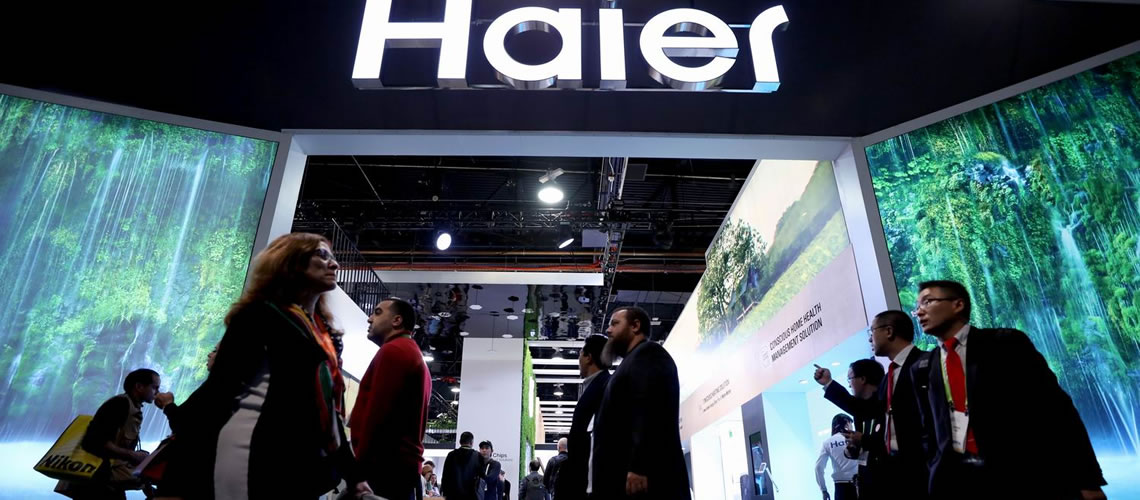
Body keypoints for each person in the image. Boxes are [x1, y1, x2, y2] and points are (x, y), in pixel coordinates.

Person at [168, 233, 370, 499]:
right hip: (252, 456)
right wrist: (177, 472)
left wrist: (354, 476)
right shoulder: (259, 315)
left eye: (332, 257)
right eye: (322, 255)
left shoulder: (324, 335)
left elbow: (327, 414)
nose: (334, 264)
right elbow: (219, 393)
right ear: (291, 262)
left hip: (299, 465)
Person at [909, 280, 1106, 500]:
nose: (919, 312)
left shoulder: (1005, 344)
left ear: (958, 305)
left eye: (927, 302)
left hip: (1022, 476)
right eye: (916, 307)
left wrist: (1087, 478)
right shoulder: (923, 368)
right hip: (958, 482)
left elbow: (1056, 410)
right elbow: (929, 431)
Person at [814, 310, 928, 499]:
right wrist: (828, 384)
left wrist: (866, 441)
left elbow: (917, 429)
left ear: (889, 331)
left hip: (913, 478)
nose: (869, 339)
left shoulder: (924, 364)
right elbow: (861, 409)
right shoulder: (889, 378)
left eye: (872, 332)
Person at [591, 306, 690, 500]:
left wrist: (639, 465)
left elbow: (651, 411)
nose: (608, 330)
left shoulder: (649, 354)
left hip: (644, 482)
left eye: (615, 323)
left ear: (635, 326)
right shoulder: (633, 360)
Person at [349, 297, 432, 500]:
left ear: (397, 320)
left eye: (377, 312)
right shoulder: (410, 353)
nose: (370, 318)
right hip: (397, 470)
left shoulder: (394, 352)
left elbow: (376, 416)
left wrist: (358, 471)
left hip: (384, 470)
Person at [54, 368, 160, 500]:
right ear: (139, 386)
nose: (157, 392)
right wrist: (133, 455)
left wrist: (147, 487)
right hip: (95, 483)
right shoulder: (119, 404)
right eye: (154, 387)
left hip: (107, 482)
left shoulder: (132, 406)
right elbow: (93, 441)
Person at [555, 335, 610, 500]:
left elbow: (595, 436)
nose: (578, 360)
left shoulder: (606, 386)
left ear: (588, 357)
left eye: (580, 354)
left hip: (588, 479)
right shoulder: (598, 385)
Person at [814, 415, 858, 500]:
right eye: (851, 424)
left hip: (841, 489)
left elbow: (818, 468)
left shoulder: (828, 442)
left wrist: (824, 490)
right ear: (847, 423)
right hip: (861, 485)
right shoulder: (856, 438)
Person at [442, 431, 487, 500]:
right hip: (471, 495)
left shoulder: (451, 455)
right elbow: (482, 476)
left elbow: (445, 476)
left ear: (460, 442)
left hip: (453, 495)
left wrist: (445, 493)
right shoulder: (478, 456)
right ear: (472, 443)